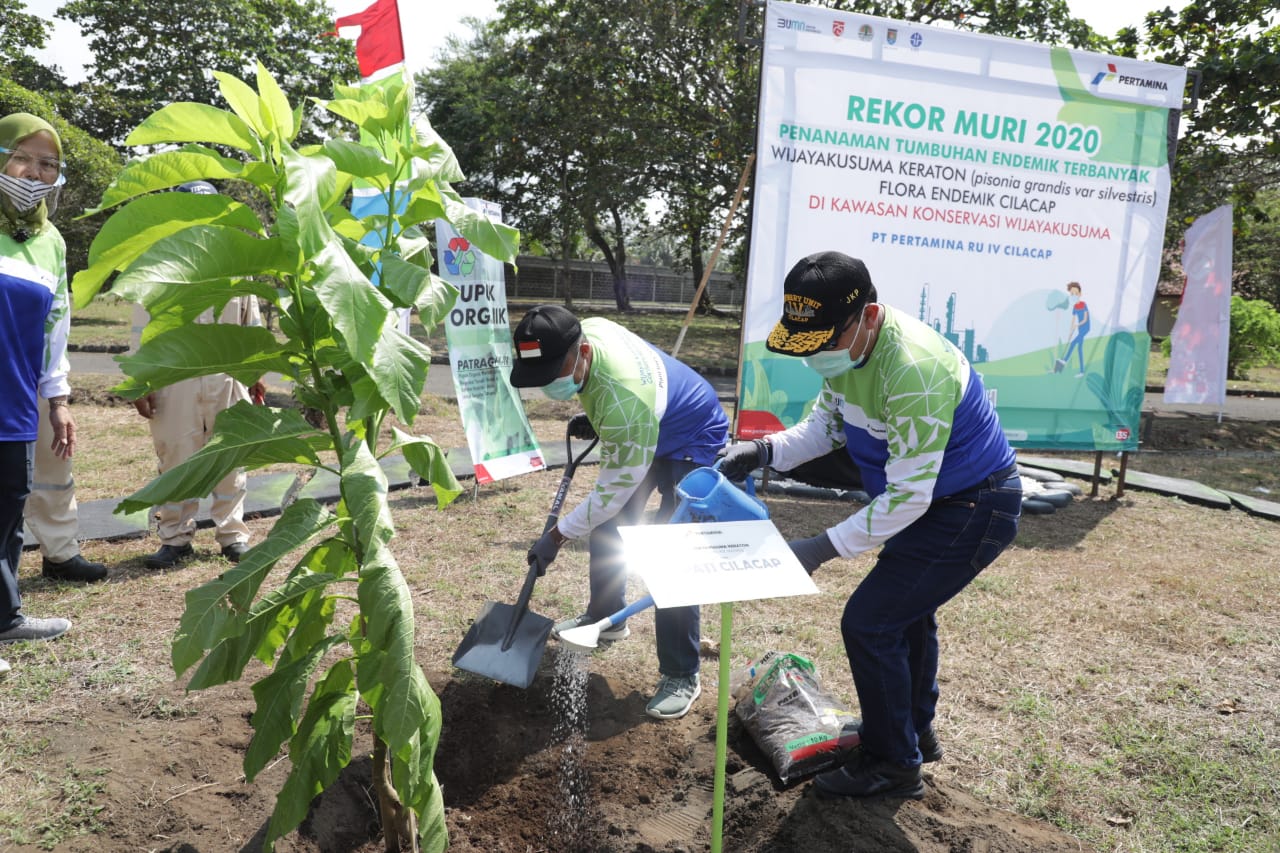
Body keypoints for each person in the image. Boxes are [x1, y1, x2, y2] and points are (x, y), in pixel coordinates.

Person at [718, 251, 1021, 799]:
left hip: (973, 505)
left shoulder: (914, 370)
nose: (817, 359)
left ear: (869, 317)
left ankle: (893, 763)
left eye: (825, 343)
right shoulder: (847, 355)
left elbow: (909, 495)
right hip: (933, 500)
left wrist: (820, 546)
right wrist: (762, 451)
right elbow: (825, 427)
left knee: (870, 623)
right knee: (905, 617)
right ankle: (910, 732)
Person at [509, 305, 728, 720]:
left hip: (693, 433)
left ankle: (682, 674)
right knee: (610, 528)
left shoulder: (623, 399)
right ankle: (607, 617)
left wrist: (556, 536)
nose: (551, 384)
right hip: (646, 422)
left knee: (673, 553)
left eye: (556, 371)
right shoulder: (582, 334)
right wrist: (600, 416)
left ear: (584, 352)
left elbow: (612, 490)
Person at [131, 180, 264, 569]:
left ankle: (232, 536)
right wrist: (140, 380)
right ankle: (175, 538)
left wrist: (255, 372)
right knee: (176, 456)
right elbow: (142, 327)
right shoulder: (158, 263)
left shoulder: (235, 264)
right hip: (175, 378)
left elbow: (250, 322)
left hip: (227, 376)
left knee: (229, 456)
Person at [0, 112, 81, 670]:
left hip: (15, 401)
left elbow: (56, 323)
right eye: (21, 157)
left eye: (47, 164)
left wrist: (59, 400)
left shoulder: (49, 241)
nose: (33, 172)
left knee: (8, 509)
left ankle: (5, 617)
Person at [26, 397, 109, 582]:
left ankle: (60, 556)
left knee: (52, 462)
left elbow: (53, 366)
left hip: (33, 377)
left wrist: (59, 403)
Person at [1055, 281, 1090, 378]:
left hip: (1085, 327)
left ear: (1080, 294)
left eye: (1076, 293)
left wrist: (1077, 325)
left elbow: (1085, 319)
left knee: (1076, 345)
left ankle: (1067, 362)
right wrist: (1071, 331)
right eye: (1072, 294)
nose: (1074, 295)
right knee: (1077, 346)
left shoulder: (1084, 304)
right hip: (1079, 329)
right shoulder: (1075, 307)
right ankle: (1068, 363)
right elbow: (1073, 320)